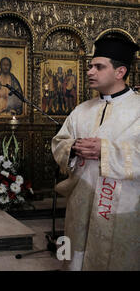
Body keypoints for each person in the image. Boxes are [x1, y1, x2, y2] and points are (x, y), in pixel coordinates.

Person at [51, 37, 139, 270]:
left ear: (120, 71)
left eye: (98, 67)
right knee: (73, 257)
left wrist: (106, 150)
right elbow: (59, 142)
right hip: (81, 203)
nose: (90, 71)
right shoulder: (81, 110)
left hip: (123, 205)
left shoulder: (138, 110)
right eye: (90, 66)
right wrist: (72, 148)